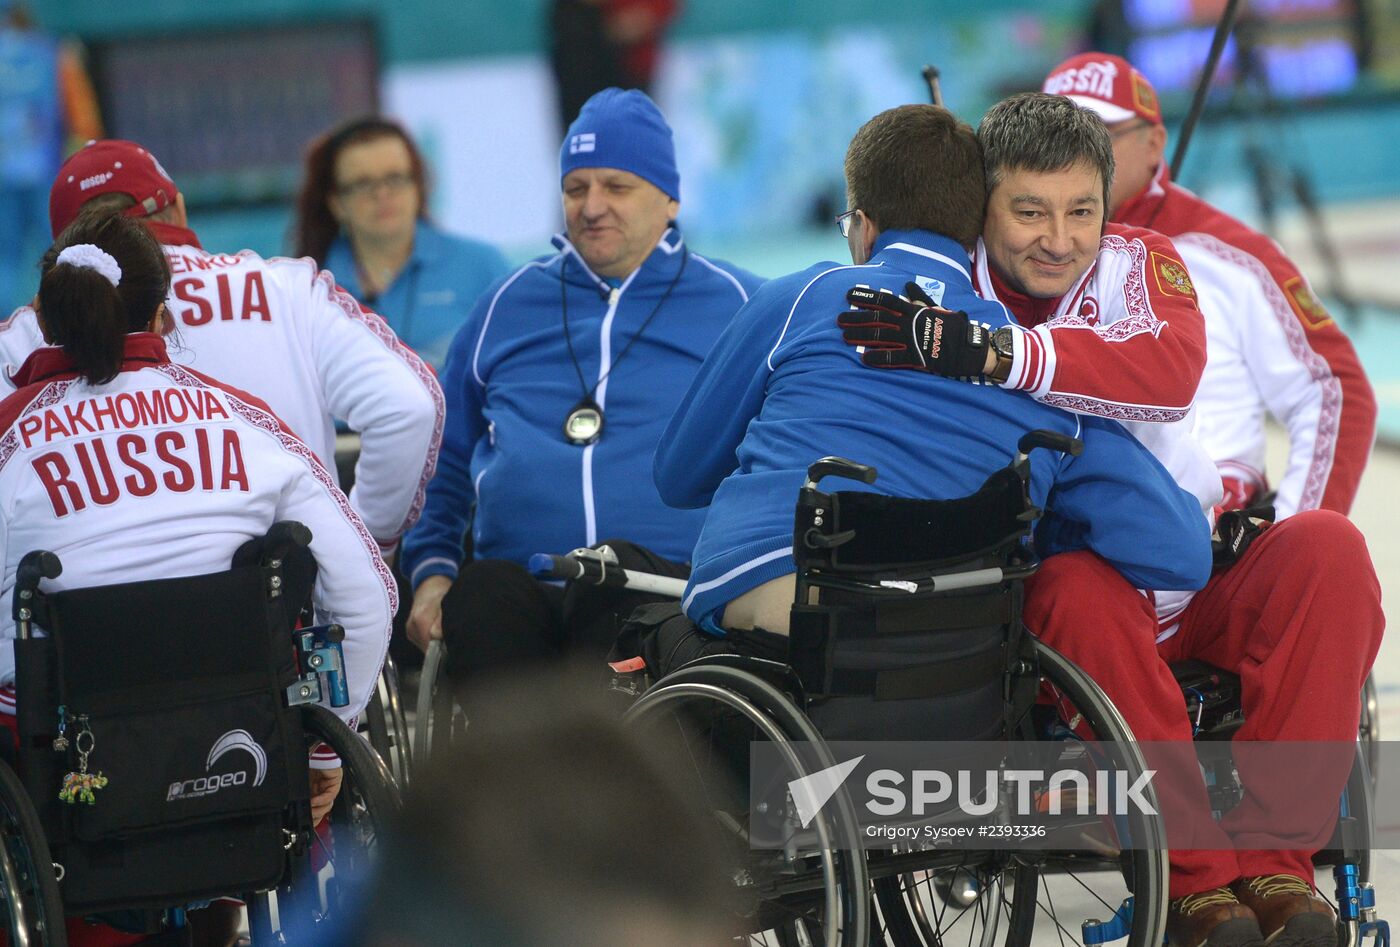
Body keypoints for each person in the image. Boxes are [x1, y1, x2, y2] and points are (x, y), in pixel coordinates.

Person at [839, 93, 1382, 947]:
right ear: (984, 208)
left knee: (1330, 550)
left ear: (1109, 205)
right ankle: (1198, 883)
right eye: (1028, 211)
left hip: (1196, 575)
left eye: (1081, 210)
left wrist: (999, 356)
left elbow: (1164, 373)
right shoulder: (949, 287)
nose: (1058, 238)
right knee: (1073, 587)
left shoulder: (1144, 259)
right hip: (1080, 600)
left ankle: (1279, 863)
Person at [654, 103, 1209, 651]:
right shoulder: (1039, 373)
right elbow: (1181, 552)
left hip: (794, 629)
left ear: (864, 227)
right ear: (982, 224)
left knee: (651, 645)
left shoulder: (801, 297)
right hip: (958, 656)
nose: (1058, 240)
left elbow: (679, 477)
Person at [0, 211, 394, 945]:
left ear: (49, 320)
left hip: (73, 782)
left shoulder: (12, 437)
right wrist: (317, 751)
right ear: (161, 310)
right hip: (245, 764)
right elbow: (367, 596)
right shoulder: (245, 421)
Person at [400, 88, 761, 698]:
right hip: (523, 586)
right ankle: (506, 790)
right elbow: (444, 457)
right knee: (479, 594)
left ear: (669, 199)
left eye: (617, 187)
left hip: (670, 591)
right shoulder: (506, 304)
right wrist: (433, 573)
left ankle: (607, 786)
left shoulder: (740, 304)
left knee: (607, 579)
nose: (592, 206)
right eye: (575, 188)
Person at [0, 138, 444, 560]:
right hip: (287, 612)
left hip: (89, 622)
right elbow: (408, 408)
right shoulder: (286, 289)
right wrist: (362, 545)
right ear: (178, 208)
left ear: (63, 248)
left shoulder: (25, 334)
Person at [1041, 52, 1376, 519]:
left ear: (1155, 142)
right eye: (1056, 137)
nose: (1075, 155)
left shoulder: (1229, 254)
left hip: (1212, 536)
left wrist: (1292, 533)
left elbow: (1334, 389)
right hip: (1063, 533)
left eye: (1099, 134)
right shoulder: (1010, 249)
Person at [294, 116, 511, 370]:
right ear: (337, 203)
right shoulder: (307, 289)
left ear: (418, 187)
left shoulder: (482, 267)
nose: (382, 194)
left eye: (395, 178)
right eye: (363, 184)